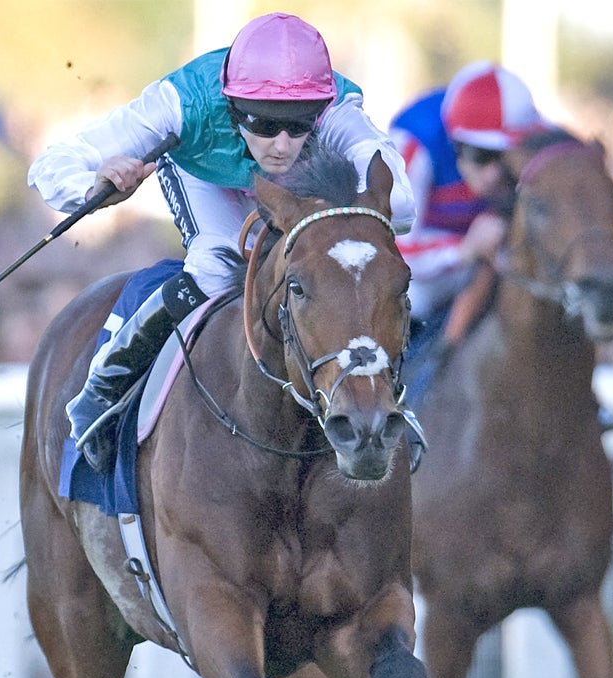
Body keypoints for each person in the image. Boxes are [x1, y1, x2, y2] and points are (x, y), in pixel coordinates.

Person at [28, 12, 415, 473]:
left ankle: (375, 395)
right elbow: (50, 167)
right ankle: (103, 389)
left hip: (297, 193)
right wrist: (96, 184)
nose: (283, 144)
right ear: (232, 106)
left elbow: (402, 207)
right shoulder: (178, 102)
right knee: (216, 265)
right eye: (266, 124)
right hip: (203, 176)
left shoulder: (337, 109)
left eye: (299, 124)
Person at [389, 61, 545, 355]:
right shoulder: (412, 143)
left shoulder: (536, 131)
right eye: (482, 155)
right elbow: (395, 251)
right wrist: (465, 249)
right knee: (411, 296)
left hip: (491, 259)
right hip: (427, 272)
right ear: (454, 142)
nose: (494, 175)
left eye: (506, 157)